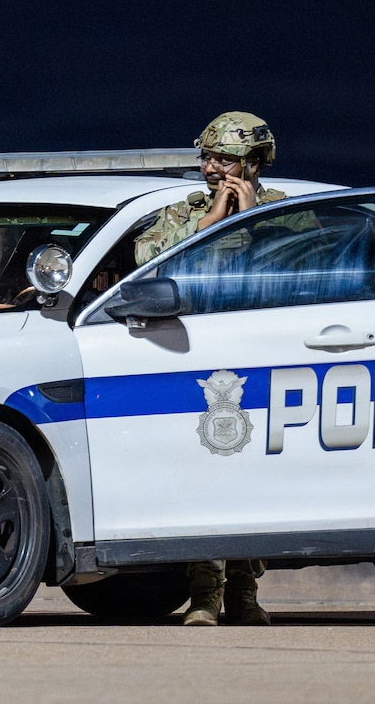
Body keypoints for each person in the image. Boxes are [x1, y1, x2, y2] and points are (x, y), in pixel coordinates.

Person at [130, 111, 284, 627]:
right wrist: (211, 223)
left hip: (269, 360)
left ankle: (245, 591)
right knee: (210, 472)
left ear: (255, 162)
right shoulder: (184, 214)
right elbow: (148, 260)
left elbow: (302, 266)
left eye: (225, 159)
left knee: (254, 478)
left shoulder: (286, 214)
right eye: (208, 158)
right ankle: (204, 595)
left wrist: (252, 223)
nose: (213, 168)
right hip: (204, 362)